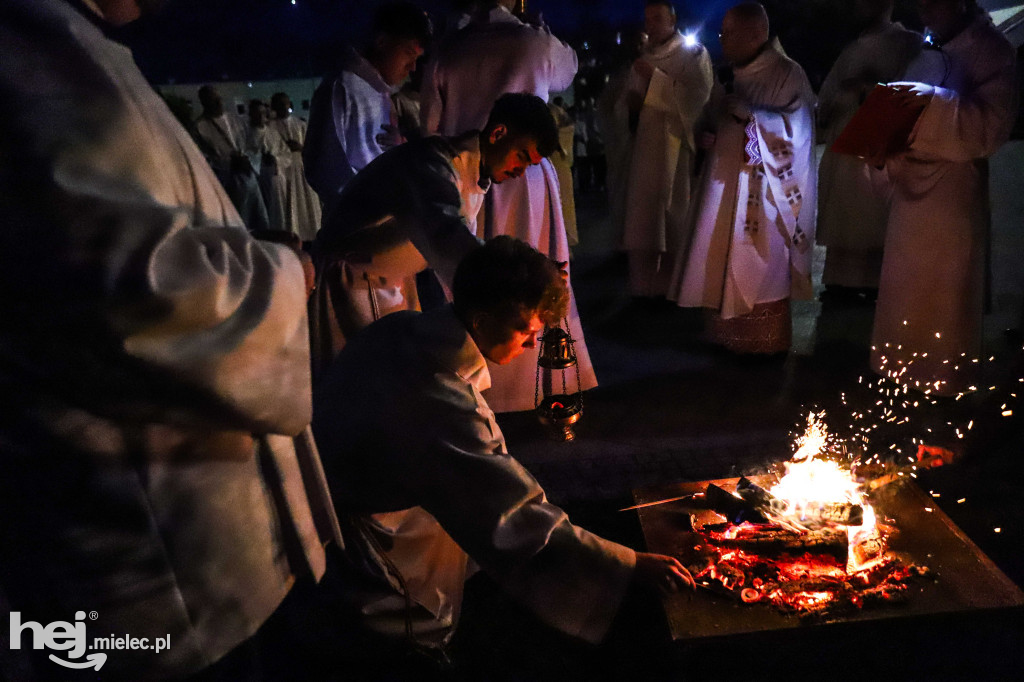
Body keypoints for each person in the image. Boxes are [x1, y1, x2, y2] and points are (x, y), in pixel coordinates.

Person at [0, 0, 341, 679]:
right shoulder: (26, 42)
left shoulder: (71, 43)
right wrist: (284, 274)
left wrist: (240, 249)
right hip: (158, 586)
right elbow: (129, 293)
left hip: (184, 556)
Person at [312, 236, 694, 665]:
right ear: (481, 317)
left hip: (367, 493)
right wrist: (629, 564)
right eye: (525, 331)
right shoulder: (441, 399)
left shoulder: (403, 327)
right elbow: (517, 516)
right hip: (373, 541)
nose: (532, 345)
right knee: (412, 636)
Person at [420, 0, 598, 413]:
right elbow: (568, 69)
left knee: (474, 275)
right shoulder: (533, 42)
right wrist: (541, 29)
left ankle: (476, 384)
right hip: (526, 174)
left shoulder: (449, 50)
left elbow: (430, 122)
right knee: (532, 272)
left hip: (467, 168)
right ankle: (544, 380)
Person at [309, 93, 559, 378]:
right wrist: (525, 280)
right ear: (498, 133)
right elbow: (447, 234)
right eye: (522, 156)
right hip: (350, 286)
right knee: (364, 385)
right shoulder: (431, 164)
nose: (521, 171)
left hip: (389, 284)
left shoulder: (470, 175)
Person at [870, 0, 1017, 395]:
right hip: (908, 201)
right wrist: (886, 144)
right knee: (902, 300)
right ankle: (896, 388)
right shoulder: (925, 54)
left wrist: (925, 103)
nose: (923, 10)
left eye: (932, 1)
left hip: (951, 201)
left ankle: (943, 399)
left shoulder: (993, 51)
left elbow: (989, 128)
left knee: (944, 307)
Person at [669, 2, 816, 355]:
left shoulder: (787, 74)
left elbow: (800, 129)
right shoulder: (729, 74)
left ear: (757, 34)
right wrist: (707, 133)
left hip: (764, 193)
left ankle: (762, 345)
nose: (722, 40)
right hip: (721, 190)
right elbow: (711, 117)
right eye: (721, 32)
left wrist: (755, 117)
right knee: (720, 254)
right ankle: (724, 337)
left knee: (757, 262)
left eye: (729, 33)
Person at [817, 0, 921, 300]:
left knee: (871, 215)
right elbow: (828, 95)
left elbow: (913, 91)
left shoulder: (906, 43)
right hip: (844, 141)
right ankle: (840, 281)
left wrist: (870, 87)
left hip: (877, 144)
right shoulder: (852, 48)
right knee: (845, 213)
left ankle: (873, 282)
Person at [303, 1, 431, 215]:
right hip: (357, 225)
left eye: (417, 58)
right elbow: (326, 168)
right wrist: (368, 206)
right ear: (381, 41)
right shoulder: (342, 87)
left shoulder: (383, 92)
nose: (413, 67)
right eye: (408, 53)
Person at [622, 0, 713, 299]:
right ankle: (644, 287)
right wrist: (630, 106)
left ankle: (674, 287)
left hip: (674, 146)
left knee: (671, 215)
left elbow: (697, 96)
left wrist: (655, 80)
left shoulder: (693, 54)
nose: (651, 25)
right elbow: (628, 102)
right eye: (647, 19)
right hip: (644, 149)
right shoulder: (644, 57)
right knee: (644, 217)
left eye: (657, 18)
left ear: (673, 19)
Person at [195, 84, 271, 232]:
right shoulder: (200, 127)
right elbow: (203, 160)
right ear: (204, 103)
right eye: (213, 101)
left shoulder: (236, 120)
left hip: (250, 178)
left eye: (219, 99)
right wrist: (229, 163)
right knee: (238, 226)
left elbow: (252, 145)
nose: (218, 103)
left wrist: (249, 160)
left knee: (261, 222)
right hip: (228, 183)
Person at [270, 91, 323, 242]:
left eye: (285, 104)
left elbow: (312, 146)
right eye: (279, 105)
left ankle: (312, 234)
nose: (283, 108)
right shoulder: (270, 127)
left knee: (307, 204)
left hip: (302, 167)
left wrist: (300, 147)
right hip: (284, 170)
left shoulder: (300, 124)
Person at [245, 98, 292, 234]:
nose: (260, 117)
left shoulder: (272, 133)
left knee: (278, 215)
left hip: (275, 180)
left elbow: (286, 155)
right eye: (256, 113)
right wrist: (258, 160)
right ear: (251, 115)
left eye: (262, 113)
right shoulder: (244, 134)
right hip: (255, 181)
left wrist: (275, 160)